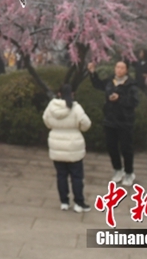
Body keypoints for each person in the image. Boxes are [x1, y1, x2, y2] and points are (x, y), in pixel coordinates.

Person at [88, 61, 139, 186]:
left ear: (126, 70)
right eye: (117, 67)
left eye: (122, 68)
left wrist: (120, 98)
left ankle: (129, 172)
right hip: (110, 119)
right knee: (111, 147)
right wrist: (93, 72)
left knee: (126, 148)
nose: (119, 70)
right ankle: (117, 169)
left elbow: (134, 102)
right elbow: (98, 84)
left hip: (124, 121)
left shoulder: (131, 85)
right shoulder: (110, 81)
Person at [43, 84, 92, 213]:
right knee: (76, 176)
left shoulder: (51, 106)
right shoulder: (76, 108)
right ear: (72, 94)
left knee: (61, 175)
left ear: (59, 94)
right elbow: (86, 124)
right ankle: (79, 203)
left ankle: (64, 202)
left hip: (56, 145)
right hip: (73, 146)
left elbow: (46, 121)